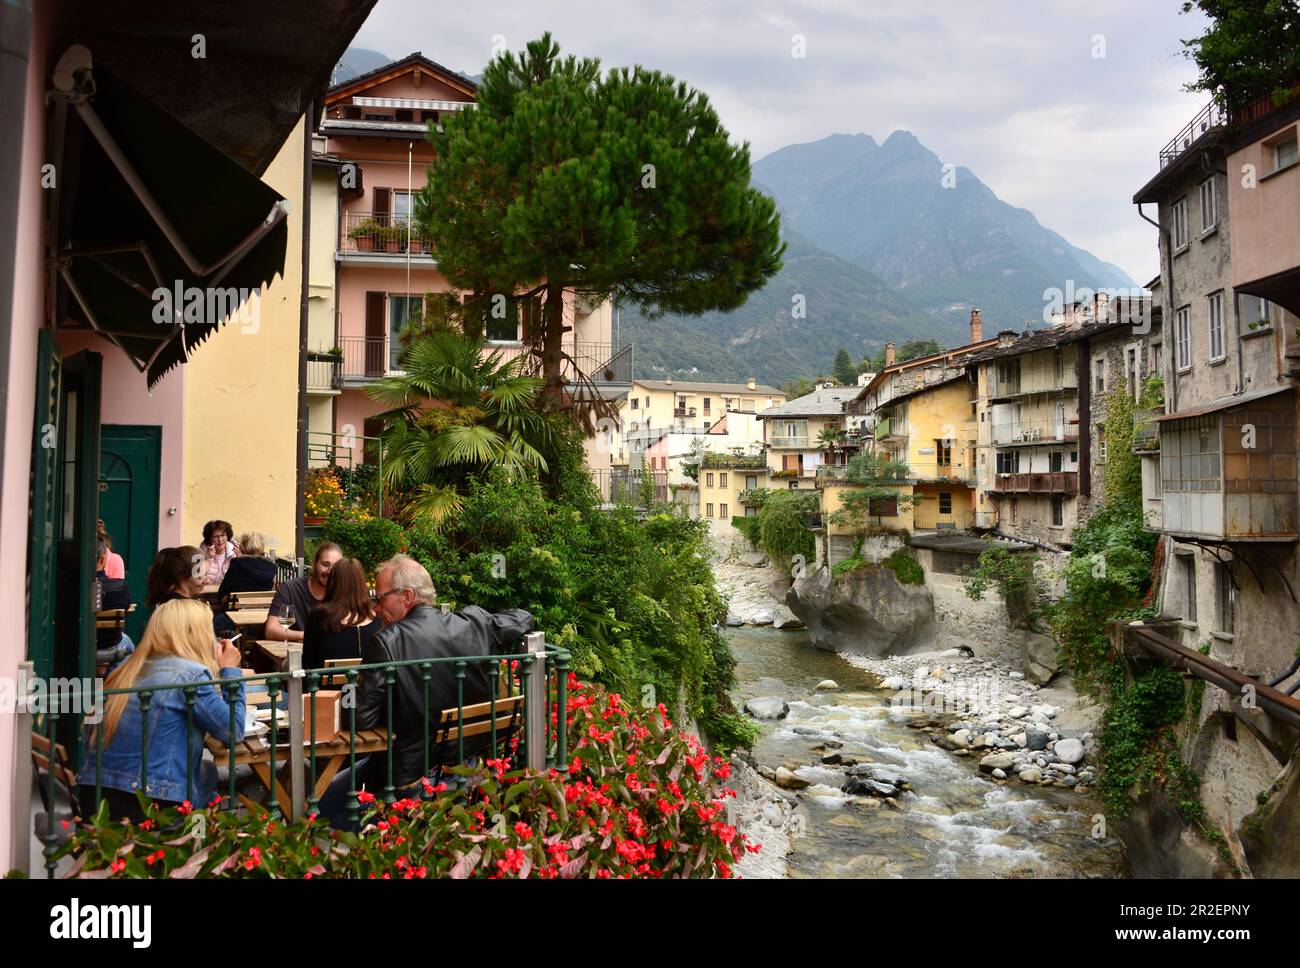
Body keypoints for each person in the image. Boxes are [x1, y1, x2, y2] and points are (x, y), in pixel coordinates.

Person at [317, 555, 533, 828]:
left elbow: (359, 719)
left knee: (321, 816)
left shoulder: (386, 642)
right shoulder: (475, 624)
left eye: (380, 598)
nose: (376, 606)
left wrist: (350, 687)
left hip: (408, 781)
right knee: (326, 803)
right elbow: (523, 617)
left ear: (406, 596)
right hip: (471, 768)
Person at [77, 598, 245, 822]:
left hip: (94, 800)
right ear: (199, 635)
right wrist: (231, 671)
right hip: (147, 804)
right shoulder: (190, 675)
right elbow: (233, 731)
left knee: (208, 776)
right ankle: (196, 846)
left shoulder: (124, 669)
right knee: (209, 781)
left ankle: (199, 842)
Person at [302, 557, 379, 670]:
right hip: (368, 686)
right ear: (362, 583)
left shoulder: (319, 617)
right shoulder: (377, 617)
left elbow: (308, 665)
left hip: (326, 687)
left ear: (332, 583)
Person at [265, 542, 341, 642]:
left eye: (335, 567)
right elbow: (271, 630)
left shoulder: (342, 592)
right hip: (289, 654)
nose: (330, 571)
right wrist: (308, 636)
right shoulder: (290, 588)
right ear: (314, 564)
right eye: (325, 564)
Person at [95, 541, 135, 673]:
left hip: (79, 646)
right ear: (103, 559)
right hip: (111, 646)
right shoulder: (118, 586)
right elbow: (126, 606)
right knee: (128, 644)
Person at [215, 531, 277, 602]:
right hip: (262, 610)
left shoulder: (236, 565)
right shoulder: (270, 567)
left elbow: (221, 594)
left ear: (242, 546)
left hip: (236, 611)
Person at [198, 520, 239, 585]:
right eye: (216, 537)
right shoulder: (200, 553)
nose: (220, 540)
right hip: (207, 592)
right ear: (209, 539)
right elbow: (197, 577)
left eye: (223, 535)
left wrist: (241, 559)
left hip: (228, 591)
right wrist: (207, 558)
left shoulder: (235, 552)